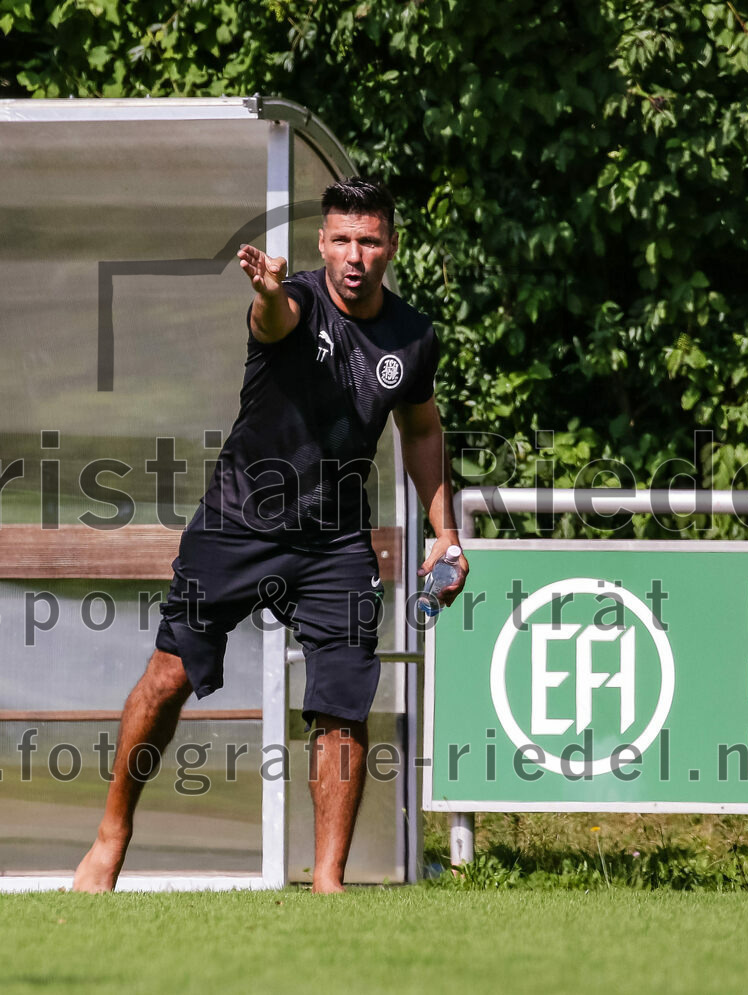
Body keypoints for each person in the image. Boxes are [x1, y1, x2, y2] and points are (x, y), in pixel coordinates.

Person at [74, 176, 467, 894]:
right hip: (237, 522)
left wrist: (446, 531)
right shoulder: (296, 303)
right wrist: (266, 291)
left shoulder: (413, 337)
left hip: (335, 542)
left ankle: (327, 885)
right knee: (169, 677)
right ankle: (111, 835)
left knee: (342, 702)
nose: (355, 256)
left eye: (369, 241)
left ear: (391, 246)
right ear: (323, 243)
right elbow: (274, 318)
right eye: (341, 240)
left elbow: (421, 428)